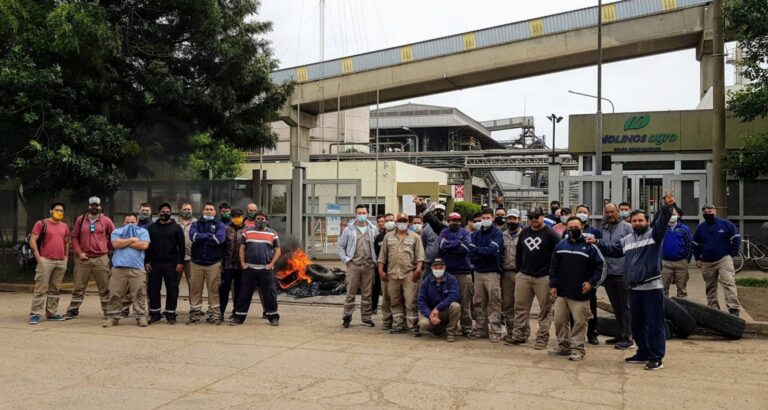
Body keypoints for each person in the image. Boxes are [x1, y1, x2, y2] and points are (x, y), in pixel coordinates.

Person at [589, 192, 676, 371]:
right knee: (637, 323)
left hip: (652, 289)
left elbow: (662, 221)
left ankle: (656, 357)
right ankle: (643, 352)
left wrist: (667, 207)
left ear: (647, 222)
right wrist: (597, 241)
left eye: (640, 221)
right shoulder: (627, 239)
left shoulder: (654, 235)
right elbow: (613, 250)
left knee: (654, 324)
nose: (637, 223)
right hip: (634, 289)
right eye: (634, 221)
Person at [549, 217, 606, 361]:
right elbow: (553, 266)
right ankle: (563, 346)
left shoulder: (590, 247)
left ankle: (578, 349)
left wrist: (591, 283)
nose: (573, 230)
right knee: (559, 320)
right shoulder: (561, 245)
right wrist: (553, 285)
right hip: (562, 291)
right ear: (566, 228)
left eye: (576, 227)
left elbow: (601, 267)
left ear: (582, 228)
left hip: (581, 293)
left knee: (580, 322)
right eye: (570, 227)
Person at [506, 207, 561, 350]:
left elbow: (559, 254)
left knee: (545, 310)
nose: (534, 219)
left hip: (544, 277)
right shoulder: (524, 232)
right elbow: (519, 253)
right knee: (520, 308)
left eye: (537, 216)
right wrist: (519, 271)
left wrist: (553, 276)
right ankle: (519, 335)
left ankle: (542, 338)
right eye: (531, 217)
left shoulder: (551, 234)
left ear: (542, 217)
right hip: (524, 276)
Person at [65, 196, 115, 319]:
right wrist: (78, 252)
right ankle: (73, 310)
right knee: (78, 287)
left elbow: (114, 235)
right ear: (88, 206)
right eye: (92, 205)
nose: (94, 207)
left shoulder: (106, 221)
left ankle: (107, 310)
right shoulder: (81, 220)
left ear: (100, 207)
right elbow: (74, 236)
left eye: (96, 205)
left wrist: (106, 248)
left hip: (101, 258)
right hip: (83, 258)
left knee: (104, 287)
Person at [378, 212, 425, 336]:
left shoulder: (415, 237)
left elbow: (420, 256)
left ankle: (412, 326)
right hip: (392, 274)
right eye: (400, 221)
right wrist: (381, 270)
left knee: (410, 302)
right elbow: (382, 256)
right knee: (395, 301)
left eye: (404, 221)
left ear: (408, 223)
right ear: (396, 222)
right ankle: (398, 325)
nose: (402, 223)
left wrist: (418, 270)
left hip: (409, 274)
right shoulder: (388, 237)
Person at [692, 204, 742, 316]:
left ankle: (734, 309)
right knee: (710, 286)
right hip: (707, 262)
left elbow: (736, 239)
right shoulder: (701, 227)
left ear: (716, 211)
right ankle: (713, 309)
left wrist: (731, 254)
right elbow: (696, 244)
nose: (707, 212)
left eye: (710, 210)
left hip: (724, 259)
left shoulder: (726, 224)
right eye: (704, 211)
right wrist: (697, 258)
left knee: (728, 283)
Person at [233, 210, 281, 326]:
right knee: (244, 293)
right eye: (258, 219)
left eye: (262, 219)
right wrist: (243, 263)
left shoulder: (272, 233)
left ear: (266, 220)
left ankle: (273, 316)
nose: (260, 221)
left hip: (266, 269)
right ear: (254, 220)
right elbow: (242, 249)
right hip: (249, 269)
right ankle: (239, 317)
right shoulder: (247, 232)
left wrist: (271, 264)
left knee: (269, 294)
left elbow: (278, 250)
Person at [103, 213, 151, 328]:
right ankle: (113, 317)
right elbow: (115, 244)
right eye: (127, 222)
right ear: (124, 222)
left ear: (137, 222)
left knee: (139, 293)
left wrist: (124, 242)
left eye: (132, 222)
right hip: (119, 268)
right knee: (115, 293)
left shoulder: (143, 232)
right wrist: (132, 240)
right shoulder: (117, 231)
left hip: (137, 268)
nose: (130, 225)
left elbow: (144, 245)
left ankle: (141, 316)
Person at [27, 202, 71, 324]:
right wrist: (38, 258)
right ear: (51, 211)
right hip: (45, 260)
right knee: (41, 288)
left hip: (60, 261)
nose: (59, 212)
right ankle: (36, 313)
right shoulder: (41, 223)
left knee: (55, 288)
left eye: (62, 211)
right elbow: (33, 240)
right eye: (57, 210)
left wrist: (66, 257)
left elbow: (66, 241)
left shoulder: (64, 226)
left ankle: (51, 312)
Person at [600, 203, 635, 349]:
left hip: (623, 273)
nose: (609, 215)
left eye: (612, 212)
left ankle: (629, 337)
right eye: (607, 212)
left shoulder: (628, 228)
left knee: (626, 307)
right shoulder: (604, 229)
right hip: (609, 274)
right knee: (616, 306)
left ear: (618, 212)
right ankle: (620, 334)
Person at [567, 204, 602, 345]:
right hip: (571, 278)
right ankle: (573, 335)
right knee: (572, 309)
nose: (582, 214)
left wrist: (593, 280)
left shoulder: (594, 231)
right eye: (580, 212)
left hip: (588, 278)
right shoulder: (568, 231)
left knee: (590, 308)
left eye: (584, 212)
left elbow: (599, 254)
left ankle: (592, 333)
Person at [468, 208, 504, 342]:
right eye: (483, 218)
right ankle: (480, 330)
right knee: (478, 302)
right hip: (478, 272)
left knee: (494, 302)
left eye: (488, 217)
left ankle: (495, 331)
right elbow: (470, 253)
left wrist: (477, 250)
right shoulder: (476, 234)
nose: (485, 220)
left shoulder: (497, 233)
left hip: (492, 273)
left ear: (493, 218)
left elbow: (493, 251)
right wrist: (480, 252)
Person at [145, 202, 185, 325]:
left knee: (172, 289)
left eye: (167, 212)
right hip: (155, 264)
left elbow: (182, 246)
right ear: (158, 213)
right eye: (163, 212)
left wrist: (180, 262)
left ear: (171, 213)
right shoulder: (151, 228)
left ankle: (170, 314)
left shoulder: (176, 227)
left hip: (172, 264)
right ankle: (155, 314)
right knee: (153, 289)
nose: (165, 214)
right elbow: (148, 246)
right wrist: (147, 261)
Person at [338, 204, 378, 328]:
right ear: (356, 214)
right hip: (353, 265)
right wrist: (345, 259)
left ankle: (366, 318)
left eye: (363, 213)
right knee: (351, 292)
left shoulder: (373, 229)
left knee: (367, 293)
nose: (361, 215)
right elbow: (341, 246)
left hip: (368, 265)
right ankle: (347, 316)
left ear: (367, 214)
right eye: (359, 213)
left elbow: (376, 246)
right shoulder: (349, 229)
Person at [188, 202, 226, 325]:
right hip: (196, 263)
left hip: (213, 264)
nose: (209, 211)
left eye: (211, 209)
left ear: (215, 212)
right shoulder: (195, 224)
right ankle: (194, 315)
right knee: (195, 290)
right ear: (203, 211)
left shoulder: (220, 225)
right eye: (207, 209)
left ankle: (214, 315)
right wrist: (210, 236)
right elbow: (193, 237)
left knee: (213, 290)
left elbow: (219, 239)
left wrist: (201, 237)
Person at [438, 212, 474, 337]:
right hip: (447, 273)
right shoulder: (444, 232)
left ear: (460, 221)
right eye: (452, 220)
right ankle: (446, 326)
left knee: (465, 303)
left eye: (457, 220)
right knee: (446, 301)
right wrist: (457, 242)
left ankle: (467, 328)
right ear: (448, 221)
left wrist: (450, 245)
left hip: (463, 273)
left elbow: (466, 248)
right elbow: (441, 246)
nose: (454, 223)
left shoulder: (465, 232)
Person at [417, 258, 461, 342]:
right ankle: (437, 329)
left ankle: (450, 333)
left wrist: (438, 308)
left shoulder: (451, 279)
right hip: (431, 313)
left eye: (440, 267)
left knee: (456, 306)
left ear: (444, 267)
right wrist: (430, 314)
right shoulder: (426, 282)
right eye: (435, 267)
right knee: (423, 324)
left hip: (445, 311)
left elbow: (455, 295)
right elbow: (421, 301)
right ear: (431, 268)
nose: (438, 270)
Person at [220, 209, 246, 321]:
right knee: (223, 290)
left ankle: (236, 312)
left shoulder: (247, 230)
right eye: (234, 216)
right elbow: (221, 246)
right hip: (227, 266)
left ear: (242, 217)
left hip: (241, 266)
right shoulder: (226, 229)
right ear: (231, 217)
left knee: (239, 290)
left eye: (238, 216)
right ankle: (220, 313)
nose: (236, 218)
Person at [501, 209, 522, 342]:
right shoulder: (502, 235)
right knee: (508, 304)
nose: (511, 221)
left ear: (519, 220)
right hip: (506, 273)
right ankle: (510, 332)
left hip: (521, 273)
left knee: (521, 304)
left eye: (514, 219)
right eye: (509, 219)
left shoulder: (525, 235)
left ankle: (522, 332)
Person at [662, 207, 693, 298]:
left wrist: (687, 259)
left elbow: (689, 244)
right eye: (670, 214)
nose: (672, 216)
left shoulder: (684, 229)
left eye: (674, 214)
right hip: (665, 263)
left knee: (682, 290)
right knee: (663, 289)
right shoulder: (662, 228)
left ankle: (682, 308)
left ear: (679, 215)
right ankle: (664, 310)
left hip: (681, 262)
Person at [375, 213, 395, 329]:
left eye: (391, 220)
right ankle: (387, 321)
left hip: (399, 272)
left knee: (399, 298)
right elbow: (378, 257)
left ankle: (399, 321)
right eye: (386, 220)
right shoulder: (379, 238)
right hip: (386, 273)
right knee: (386, 298)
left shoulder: (402, 235)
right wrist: (381, 271)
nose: (388, 223)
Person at [177, 202, 197, 298]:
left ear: (192, 210)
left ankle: (194, 308)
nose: (186, 211)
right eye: (184, 209)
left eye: (188, 209)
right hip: (176, 258)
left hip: (191, 258)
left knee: (193, 284)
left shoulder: (197, 223)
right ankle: (171, 308)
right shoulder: (175, 222)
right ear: (180, 210)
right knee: (174, 284)